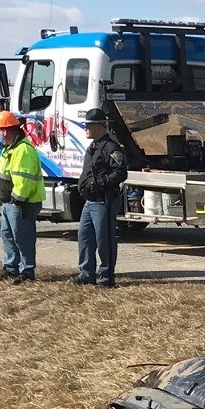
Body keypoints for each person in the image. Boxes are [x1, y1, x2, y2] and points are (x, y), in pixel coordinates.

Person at [75, 108, 129, 288]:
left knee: (103, 240)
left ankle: (106, 277)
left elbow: (120, 173)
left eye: (88, 125)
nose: (85, 128)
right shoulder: (93, 146)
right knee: (85, 237)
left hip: (103, 200)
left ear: (99, 126)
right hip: (90, 202)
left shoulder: (110, 147)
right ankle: (86, 273)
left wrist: (101, 183)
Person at [0, 110, 44, 283]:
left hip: (22, 202)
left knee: (23, 237)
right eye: (0, 130)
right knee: (7, 235)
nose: (1, 133)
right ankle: (10, 268)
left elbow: (24, 180)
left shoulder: (23, 150)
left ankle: (27, 271)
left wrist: (17, 199)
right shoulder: (9, 148)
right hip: (10, 202)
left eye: (2, 129)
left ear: (10, 130)